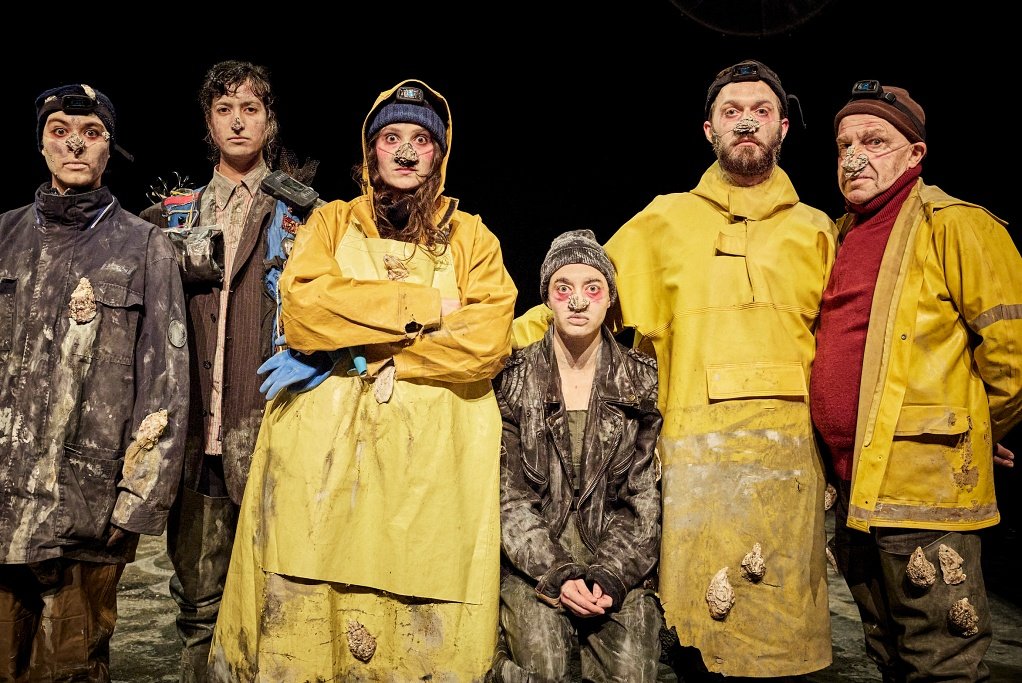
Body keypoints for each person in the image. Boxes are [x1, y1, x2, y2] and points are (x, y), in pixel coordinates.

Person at [514, 59, 837, 679]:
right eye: (731, 112)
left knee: (787, 650)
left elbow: (850, 349)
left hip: (789, 474)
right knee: (699, 644)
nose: (746, 121)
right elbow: (579, 297)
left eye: (761, 111)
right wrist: (480, 346)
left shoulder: (817, 231)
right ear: (708, 129)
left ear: (785, 128)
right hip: (696, 470)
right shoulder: (665, 221)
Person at [208, 78, 517, 680]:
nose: (405, 151)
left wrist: (367, 356)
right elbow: (303, 311)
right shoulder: (330, 224)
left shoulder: (472, 237)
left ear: (439, 154)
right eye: (391, 137)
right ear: (371, 150)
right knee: (307, 595)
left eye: (421, 140)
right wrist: (428, 307)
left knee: (421, 595)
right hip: (324, 460)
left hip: (430, 464)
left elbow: (486, 340)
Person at [813, 80, 1022, 681]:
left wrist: (977, 427)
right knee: (885, 652)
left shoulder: (956, 225)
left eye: (875, 140)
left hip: (924, 489)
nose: (854, 156)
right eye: (844, 143)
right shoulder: (839, 233)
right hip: (854, 490)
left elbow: (1010, 353)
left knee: (942, 659)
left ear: (915, 154)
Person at [139, 59, 324, 682]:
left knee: (276, 594)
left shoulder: (308, 214)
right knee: (195, 599)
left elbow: (336, 308)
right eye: (225, 109)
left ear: (270, 122)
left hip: (271, 426)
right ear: (208, 124)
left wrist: (319, 359)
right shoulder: (172, 215)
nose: (238, 120)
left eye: (251, 108)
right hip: (195, 431)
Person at [0, 83, 188, 680]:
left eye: (91, 133)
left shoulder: (145, 245)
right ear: (42, 144)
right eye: (60, 131)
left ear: (109, 149)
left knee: (71, 669)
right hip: (2, 506)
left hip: (87, 508)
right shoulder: (3, 237)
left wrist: (134, 502)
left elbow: (166, 383)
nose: (75, 144)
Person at [491, 229, 664, 680]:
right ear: (547, 297)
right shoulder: (513, 379)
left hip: (616, 564)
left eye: (593, 288)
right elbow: (511, 501)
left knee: (632, 671)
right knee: (545, 666)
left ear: (610, 299)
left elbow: (643, 501)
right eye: (563, 288)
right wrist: (557, 574)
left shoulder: (641, 381)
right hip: (536, 568)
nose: (579, 301)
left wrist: (609, 575)